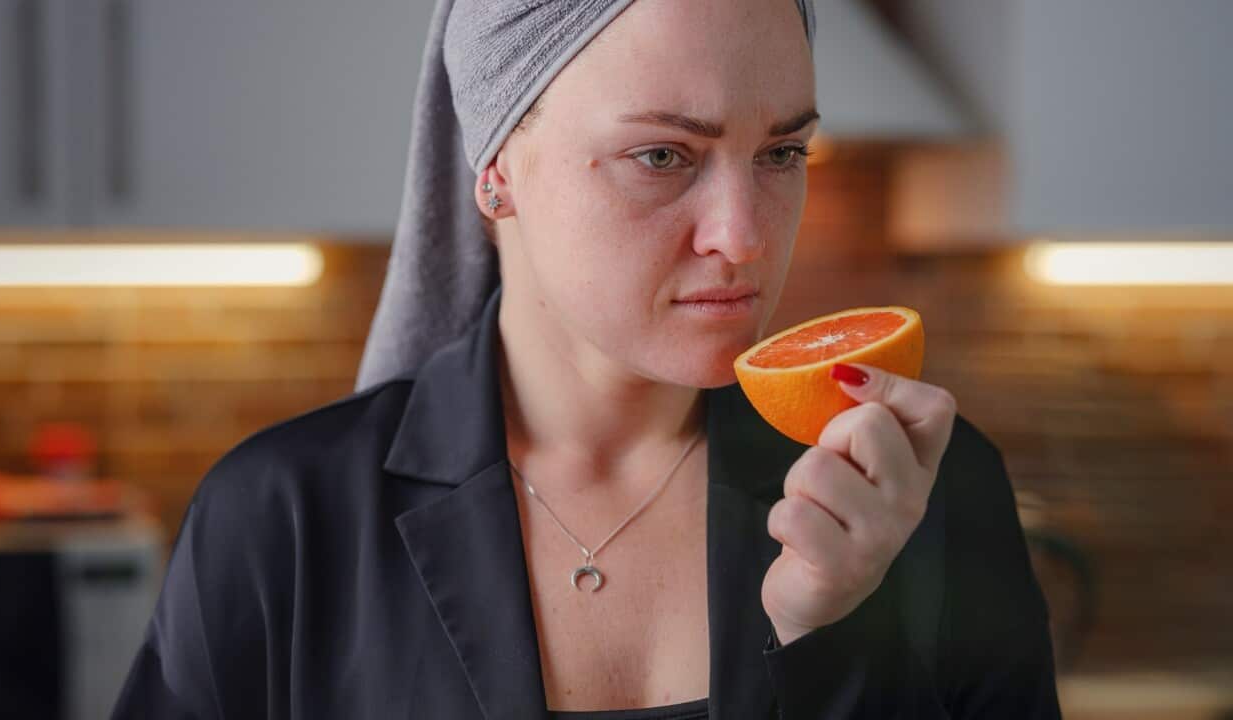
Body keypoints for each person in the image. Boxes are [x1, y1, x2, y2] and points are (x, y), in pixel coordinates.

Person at [112, 0, 1063, 718]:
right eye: (661, 156)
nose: (745, 239)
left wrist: (834, 634)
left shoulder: (918, 491)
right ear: (496, 170)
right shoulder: (280, 520)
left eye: (782, 154)